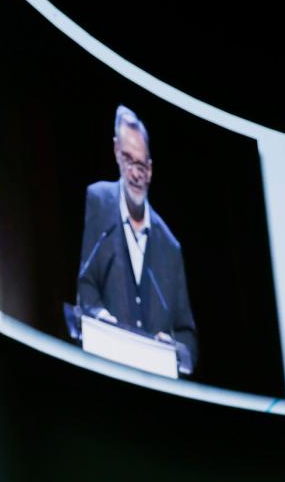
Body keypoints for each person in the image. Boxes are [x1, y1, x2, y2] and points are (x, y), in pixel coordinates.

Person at [77, 104, 197, 373]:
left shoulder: (170, 246)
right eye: (128, 160)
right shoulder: (98, 201)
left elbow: (188, 335)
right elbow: (86, 285)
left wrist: (173, 346)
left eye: (141, 165)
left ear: (151, 170)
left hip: (155, 387)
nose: (134, 173)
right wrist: (100, 317)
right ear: (116, 153)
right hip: (105, 371)